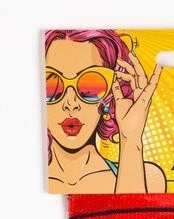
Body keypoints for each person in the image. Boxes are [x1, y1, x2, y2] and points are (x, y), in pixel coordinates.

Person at [44, 29, 166, 193]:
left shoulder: (150, 179)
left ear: (111, 93)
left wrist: (130, 140)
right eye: (52, 86)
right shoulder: (27, 182)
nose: (71, 104)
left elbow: (131, 211)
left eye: (90, 86)